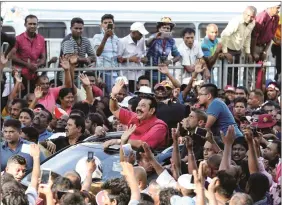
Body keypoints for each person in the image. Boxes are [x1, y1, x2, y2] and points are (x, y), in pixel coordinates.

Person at [108, 80, 168, 150]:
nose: (138, 108)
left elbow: (143, 145)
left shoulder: (159, 127)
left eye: (143, 106)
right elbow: (115, 109)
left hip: (147, 159)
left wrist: (117, 141)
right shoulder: (134, 117)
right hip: (128, 156)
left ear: (151, 110)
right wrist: (113, 95)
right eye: (138, 105)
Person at [221, 6, 256, 87]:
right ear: (244, 13)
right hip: (228, 50)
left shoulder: (253, 23)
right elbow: (224, 34)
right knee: (227, 75)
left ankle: (234, 93)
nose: (249, 18)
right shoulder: (236, 21)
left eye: (252, 17)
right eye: (248, 15)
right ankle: (226, 94)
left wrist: (248, 52)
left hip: (237, 50)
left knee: (235, 74)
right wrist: (225, 52)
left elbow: (248, 37)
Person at [11, 14, 46, 96]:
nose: (32, 26)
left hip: (34, 76)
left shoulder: (41, 39)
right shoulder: (18, 39)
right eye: (30, 24)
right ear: (25, 25)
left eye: (34, 24)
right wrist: (27, 65)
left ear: (37, 25)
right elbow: (11, 56)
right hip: (20, 77)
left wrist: (37, 65)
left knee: (34, 99)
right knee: (20, 101)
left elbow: (43, 58)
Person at [145, 17, 181, 85]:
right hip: (151, 70)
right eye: (164, 27)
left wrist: (169, 61)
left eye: (168, 28)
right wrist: (156, 36)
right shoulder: (154, 37)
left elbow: (178, 55)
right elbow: (147, 44)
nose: (166, 30)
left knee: (162, 88)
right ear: (159, 28)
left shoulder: (171, 41)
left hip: (163, 72)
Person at [117, 22, 148, 92]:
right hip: (128, 75)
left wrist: (144, 59)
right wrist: (130, 59)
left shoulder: (142, 41)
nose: (141, 36)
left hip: (140, 74)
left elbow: (144, 54)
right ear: (133, 32)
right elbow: (118, 59)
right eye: (140, 34)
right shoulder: (122, 41)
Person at [93, 14, 119, 92]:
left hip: (115, 71)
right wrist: (105, 37)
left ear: (113, 25)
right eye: (105, 23)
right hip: (103, 72)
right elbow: (98, 53)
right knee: (107, 95)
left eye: (109, 22)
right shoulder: (97, 37)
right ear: (101, 25)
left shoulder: (116, 38)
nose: (107, 24)